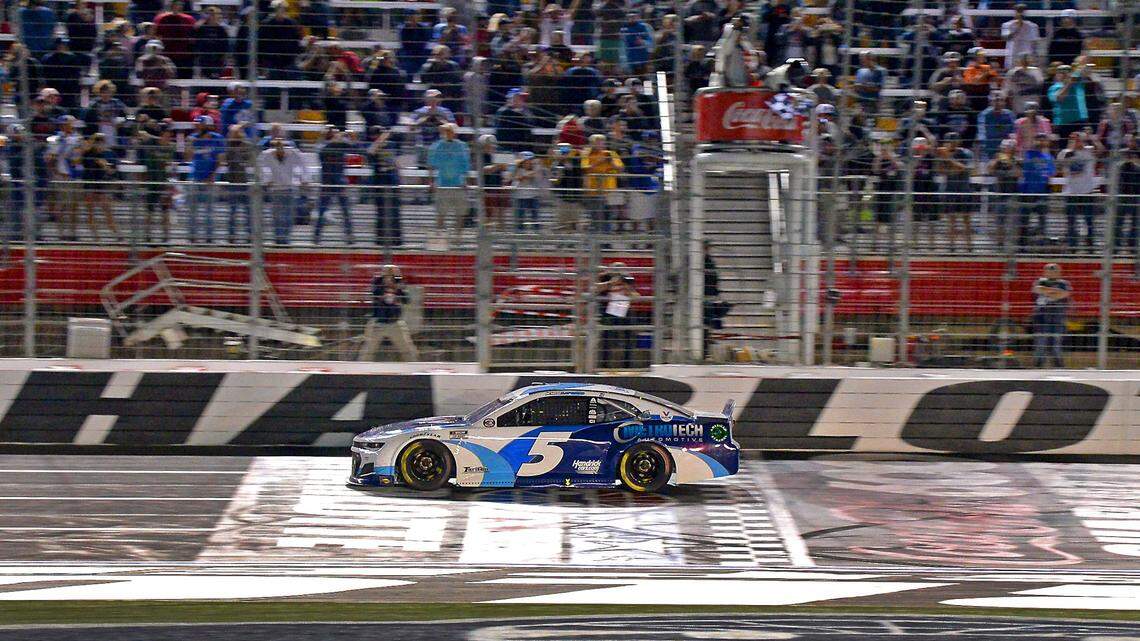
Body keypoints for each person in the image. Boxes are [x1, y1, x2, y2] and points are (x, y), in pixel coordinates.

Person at [359, 264, 419, 362]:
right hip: (378, 322)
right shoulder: (377, 284)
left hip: (394, 322)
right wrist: (383, 294)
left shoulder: (399, 285)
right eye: (387, 274)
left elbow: (407, 300)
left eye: (392, 274)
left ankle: (414, 368)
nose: (389, 277)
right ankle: (361, 369)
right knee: (368, 350)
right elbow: (372, 296)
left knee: (408, 349)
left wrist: (397, 290)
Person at [426, 123, 470, 246]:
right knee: (441, 213)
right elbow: (431, 164)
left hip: (458, 184)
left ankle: (458, 238)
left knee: (460, 213)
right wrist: (431, 181)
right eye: (446, 131)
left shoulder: (462, 146)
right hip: (442, 183)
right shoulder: (437, 146)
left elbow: (465, 166)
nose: (449, 133)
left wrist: (465, 181)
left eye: (451, 131)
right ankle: (439, 241)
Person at [1057, 131, 1101, 251]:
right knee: (1071, 222)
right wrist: (1071, 149)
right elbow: (1061, 165)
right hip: (1071, 192)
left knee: (1089, 221)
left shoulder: (1089, 151)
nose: (1076, 141)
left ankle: (1090, 246)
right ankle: (1072, 246)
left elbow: (1101, 151)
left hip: (1087, 192)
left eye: (1078, 139)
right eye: (1073, 139)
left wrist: (1093, 138)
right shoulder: (1064, 153)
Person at [185, 115, 225, 245]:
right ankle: (192, 237)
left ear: (208, 125)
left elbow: (221, 159)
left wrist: (212, 175)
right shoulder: (193, 139)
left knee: (209, 210)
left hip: (210, 179)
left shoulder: (217, 138)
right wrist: (189, 145)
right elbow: (187, 158)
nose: (197, 126)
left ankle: (209, 238)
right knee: (192, 210)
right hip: (195, 177)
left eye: (200, 124)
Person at [258, 137, 305, 245]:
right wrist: (267, 179)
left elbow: (303, 165)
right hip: (276, 188)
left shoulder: (293, 153)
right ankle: (279, 238)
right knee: (277, 216)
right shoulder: (267, 155)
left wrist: (303, 179)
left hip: (289, 187)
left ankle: (285, 239)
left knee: (288, 216)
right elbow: (260, 167)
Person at [134, 119, 175, 244]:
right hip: (151, 183)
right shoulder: (151, 142)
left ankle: (166, 237)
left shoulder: (170, 148)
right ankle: (147, 236)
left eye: (169, 135)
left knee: (166, 211)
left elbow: (172, 166)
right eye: (166, 134)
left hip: (164, 183)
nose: (168, 137)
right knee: (149, 211)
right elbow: (139, 133)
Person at [313, 127, 355, 245]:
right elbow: (321, 152)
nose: (337, 135)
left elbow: (353, 147)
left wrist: (350, 137)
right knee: (322, 210)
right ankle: (316, 236)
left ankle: (349, 234)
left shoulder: (341, 145)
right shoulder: (323, 146)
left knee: (345, 210)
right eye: (334, 133)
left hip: (340, 182)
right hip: (327, 182)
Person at [597, 262, 640, 369]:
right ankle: (604, 364)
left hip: (625, 309)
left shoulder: (627, 280)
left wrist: (628, 289)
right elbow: (597, 289)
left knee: (629, 338)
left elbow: (636, 295)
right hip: (610, 310)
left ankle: (628, 365)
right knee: (607, 338)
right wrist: (612, 283)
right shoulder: (605, 278)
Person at [936, 133, 975, 252]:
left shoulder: (966, 153)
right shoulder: (944, 154)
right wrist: (945, 159)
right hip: (950, 190)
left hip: (964, 190)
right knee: (951, 220)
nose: (952, 143)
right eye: (949, 141)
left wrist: (948, 158)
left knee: (966, 220)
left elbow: (964, 168)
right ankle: (951, 246)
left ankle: (969, 246)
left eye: (954, 141)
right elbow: (941, 170)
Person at [48, 116, 83, 241]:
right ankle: (61, 233)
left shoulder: (77, 138)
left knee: (74, 206)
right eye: (68, 124)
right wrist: (55, 172)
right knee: (62, 206)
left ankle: (72, 233)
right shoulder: (55, 139)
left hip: (75, 176)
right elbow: (50, 158)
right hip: (62, 176)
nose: (70, 126)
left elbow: (78, 157)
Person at [79, 133, 119, 241]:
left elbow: (112, 171)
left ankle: (116, 234)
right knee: (91, 212)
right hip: (89, 185)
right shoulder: (88, 154)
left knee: (107, 210)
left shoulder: (109, 154)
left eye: (101, 142)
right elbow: (80, 163)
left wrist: (105, 165)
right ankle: (96, 237)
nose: (99, 144)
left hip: (101, 186)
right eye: (96, 142)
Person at [1019, 133, 1056, 247]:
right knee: (1024, 221)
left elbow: (1051, 174)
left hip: (1042, 193)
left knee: (1042, 221)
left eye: (1043, 140)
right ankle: (1022, 245)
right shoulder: (1028, 154)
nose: (1041, 142)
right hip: (1027, 192)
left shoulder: (1049, 157)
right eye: (1038, 140)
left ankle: (1041, 245)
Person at [582, 134, 624, 234]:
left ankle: (605, 242)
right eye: (597, 142)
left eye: (602, 142)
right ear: (592, 144)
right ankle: (594, 241)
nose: (601, 144)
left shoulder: (611, 154)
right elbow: (584, 169)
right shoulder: (587, 154)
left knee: (608, 217)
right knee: (596, 217)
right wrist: (598, 162)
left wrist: (611, 163)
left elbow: (621, 168)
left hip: (609, 191)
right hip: (594, 192)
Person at [367, 125, 401, 248]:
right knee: (381, 211)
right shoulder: (372, 146)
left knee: (395, 211)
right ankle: (380, 239)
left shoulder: (390, 145)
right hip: (380, 182)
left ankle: (396, 239)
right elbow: (370, 152)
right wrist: (380, 140)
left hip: (392, 181)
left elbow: (395, 162)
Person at [1031, 263, 1070, 368]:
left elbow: (1064, 294)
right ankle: (1038, 367)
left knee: (1056, 346)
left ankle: (1059, 367)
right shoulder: (1040, 281)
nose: (1052, 273)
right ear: (1044, 272)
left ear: (1059, 272)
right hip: (1041, 318)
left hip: (1057, 318)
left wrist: (1046, 291)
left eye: (1054, 271)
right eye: (1049, 270)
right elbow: (1037, 289)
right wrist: (1055, 292)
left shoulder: (1064, 283)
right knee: (1040, 345)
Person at [987, 138, 1022, 250]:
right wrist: (997, 159)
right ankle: (1000, 245)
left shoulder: (1017, 160)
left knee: (1014, 222)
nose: (1007, 150)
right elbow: (990, 170)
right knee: (999, 222)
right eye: (1005, 148)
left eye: (1009, 148)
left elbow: (1019, 174)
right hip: (1000, 194)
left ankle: (1014, 245)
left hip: (1013, 195)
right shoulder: (998, 161)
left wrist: (1011, 162)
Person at [223, 123, 255, 244]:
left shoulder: (246, 145)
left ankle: (250, 235)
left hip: (244, 183)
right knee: (232, 211)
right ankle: (231, 236)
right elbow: (226, 160)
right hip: (232, 182)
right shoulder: (228, 146)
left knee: (248, 211)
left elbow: (251, 159)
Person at [549, 142, 585, 232]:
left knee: (574, 222)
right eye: (562, 150)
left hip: (575, 197)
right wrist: (560, 172)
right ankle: (561, 242)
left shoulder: (576, 162)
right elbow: (554, 181)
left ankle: (571, 242)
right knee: (562, 222)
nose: (565, 153)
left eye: (567, 150)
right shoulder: (555, 165)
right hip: (562, 198)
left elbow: (580, 176)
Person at [1048, 62, 1090, 140]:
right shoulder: (1054, 88)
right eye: (1061, 73)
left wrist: (1079, 68)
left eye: (1067, 72)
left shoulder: (1077, 84)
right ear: (1057, 75)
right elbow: (1059, 97)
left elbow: (1085, 71)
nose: (1064, 75)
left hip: (1078, 122)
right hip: (1062, 124)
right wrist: (1069, 83)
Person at [510, 151, 543, 231]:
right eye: (526, 161)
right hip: (521, 196)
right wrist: (525, 176)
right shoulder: (517, 170)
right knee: (521, 214)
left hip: (533, 195)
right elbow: (516, 177)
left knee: (535, 214)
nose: (528, 163)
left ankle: (536, 230)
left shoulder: (535, 170)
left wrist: (528, 175)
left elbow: (537, 176)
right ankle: (520, 230)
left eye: (530, 161)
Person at [1001, 4, 1040, 70]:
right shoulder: (1007, 25)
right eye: (1018, 11)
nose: (1020, 13)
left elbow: (1035, 44)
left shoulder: (1033, 26)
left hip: (1027, 58)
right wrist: (1017, 28)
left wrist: (1034, 59)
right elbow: (1005, 38)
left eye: (1022, 11)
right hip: (1013, 57)